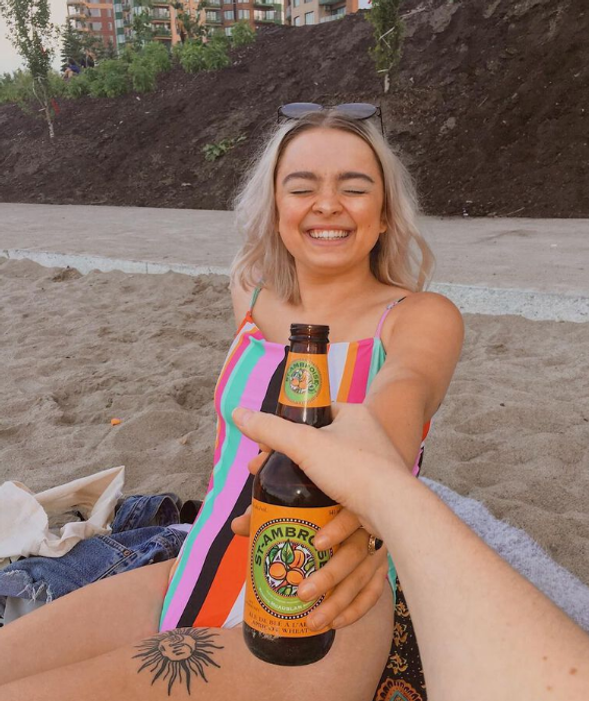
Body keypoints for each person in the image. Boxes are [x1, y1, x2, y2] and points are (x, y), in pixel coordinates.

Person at [0, 105, 468, 699]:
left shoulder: (420, 317)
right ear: (276, 211)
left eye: (354, 188)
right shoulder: (250, 293)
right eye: (302, 188)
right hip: (198, 566)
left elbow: (407, 390)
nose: (327, 204)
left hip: (322, 601)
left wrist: (372, 504)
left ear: (383, 215)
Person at [220, 405, 589, 697]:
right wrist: (382, 499)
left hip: (328, 610)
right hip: (213, 562)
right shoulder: (251, 299)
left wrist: (380, 498)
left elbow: (400, 402)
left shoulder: (418, 317)